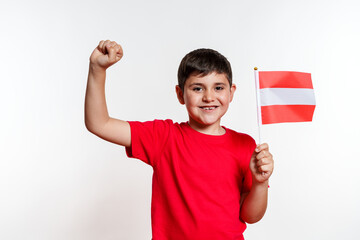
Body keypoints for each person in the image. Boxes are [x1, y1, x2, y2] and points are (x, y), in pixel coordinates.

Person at [85, 40, 274, 240]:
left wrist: (260, 184)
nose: (209, 97)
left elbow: (250, 216)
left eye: (218, 87)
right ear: (180, 94)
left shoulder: (246, 145)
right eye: (198, 88)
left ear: (231, 92)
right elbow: (99, 124)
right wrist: (97, 69)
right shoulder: (164, 136)